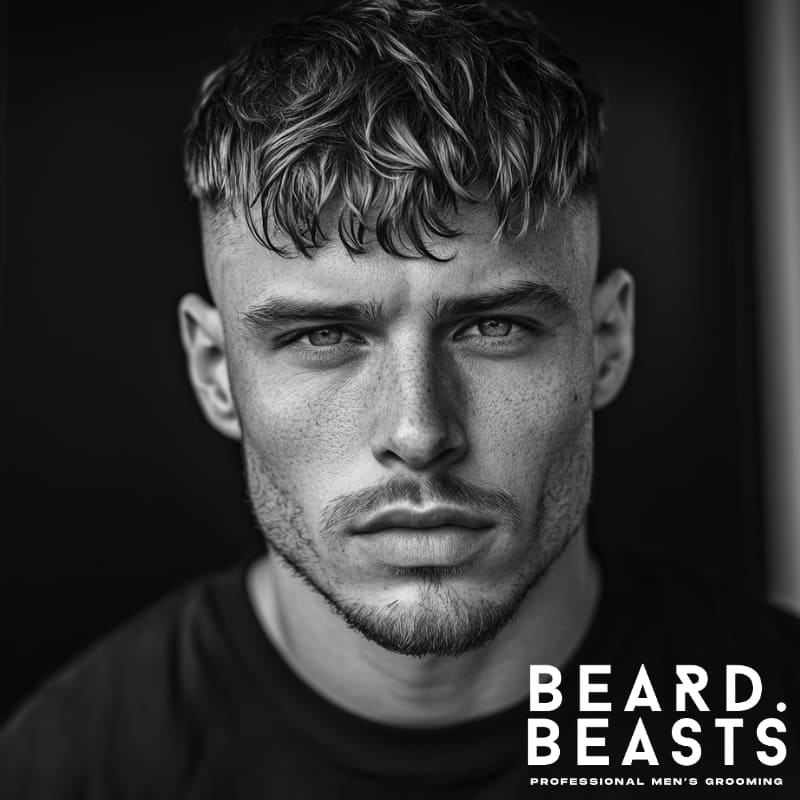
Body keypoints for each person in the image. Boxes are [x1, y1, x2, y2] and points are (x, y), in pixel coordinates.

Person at [2, 0, 799, 797]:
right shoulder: (70, 770)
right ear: (215, 370)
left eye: (493, 328)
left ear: (608, 342)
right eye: (324, 337)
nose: (419, 432)